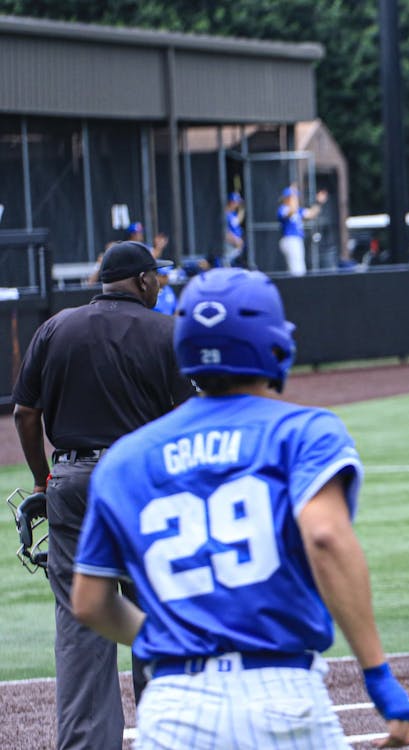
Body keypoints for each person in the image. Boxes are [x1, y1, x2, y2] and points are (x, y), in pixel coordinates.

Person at [70, 267, 409, 749]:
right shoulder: (304, 431)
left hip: (172, 704)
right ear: (272, 343)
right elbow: (325, 537)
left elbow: (89, 601)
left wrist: (164, 638)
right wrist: (378, 675)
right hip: (279, 694)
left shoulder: (126, 458)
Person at [11, 240, 196, 750]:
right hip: (144, 487)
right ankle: (170, 739)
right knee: (156, 615)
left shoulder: (55, 327)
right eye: (155, 277)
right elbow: (190, 422)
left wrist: (43, 480)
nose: (159, 283)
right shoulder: (167, 332)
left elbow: (25, 413)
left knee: (80, 624)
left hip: (72, 483)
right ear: (141, 282)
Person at [277, 184, 327, 276]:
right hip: (290, 240)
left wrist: (318, 202)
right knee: (297, 271)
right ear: (288, 198)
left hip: (297, 240)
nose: (296, 199)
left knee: (298, 270)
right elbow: (289, 212)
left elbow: (311, 214)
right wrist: (291, 194)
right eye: (294, 197)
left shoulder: (298, 210)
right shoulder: (283, 208)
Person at [223, 191, 246, 267]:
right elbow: (225, 232)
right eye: (237, 202)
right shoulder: (226, 213)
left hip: (236, 245)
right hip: (230, 245)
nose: (238, 204)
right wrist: (236, 240)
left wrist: (242, 209)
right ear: (232, 202)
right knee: (228, 264)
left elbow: (237, 221)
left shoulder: (232, 213)